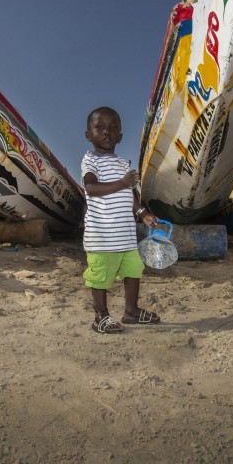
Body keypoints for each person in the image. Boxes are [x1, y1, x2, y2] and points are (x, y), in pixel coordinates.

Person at [81, 106, 161, 334]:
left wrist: (143, 214)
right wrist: (122, 183)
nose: (107, 132)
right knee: (100, 276)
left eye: (113, 128)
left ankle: (132, 311)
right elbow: (91, 187)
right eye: (100, 127)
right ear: (89, 135)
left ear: (120, 136)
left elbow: (130, 197)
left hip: (125, 237)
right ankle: (100, 317)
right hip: (102, 237)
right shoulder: (90, 161)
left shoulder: (123, 165)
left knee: (134, 269)